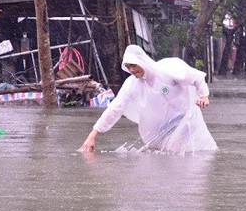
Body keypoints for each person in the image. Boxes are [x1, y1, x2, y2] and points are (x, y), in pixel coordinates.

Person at [79, 44, 218, 154]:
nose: (131, 70)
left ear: (142, 61)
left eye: (133, 65)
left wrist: (204, 96)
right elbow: (115, 108)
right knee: (163, 157)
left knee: (175, 155)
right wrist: (93, 134)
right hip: (161, 129)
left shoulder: (168, 70)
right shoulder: (132, 84)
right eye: (128, 67)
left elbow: (197, 78)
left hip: (183, 120)